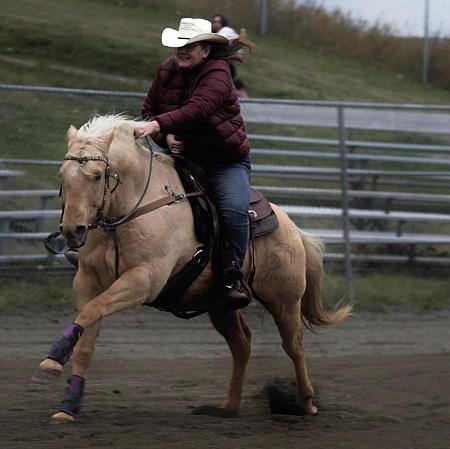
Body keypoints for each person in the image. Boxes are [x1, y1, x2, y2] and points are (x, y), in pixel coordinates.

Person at [134, 18, 254, 310]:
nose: (182, 51)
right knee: (139, 195)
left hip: (223, 162)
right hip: (183, 159)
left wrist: (159, 125)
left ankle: (234, 275)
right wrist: (165, 135)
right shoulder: (166, 71)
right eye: (179, 46)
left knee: (233, 210)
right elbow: (149, 111)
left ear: (206, 50)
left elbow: (200, 109)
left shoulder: (218, 72)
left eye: (190, 46)